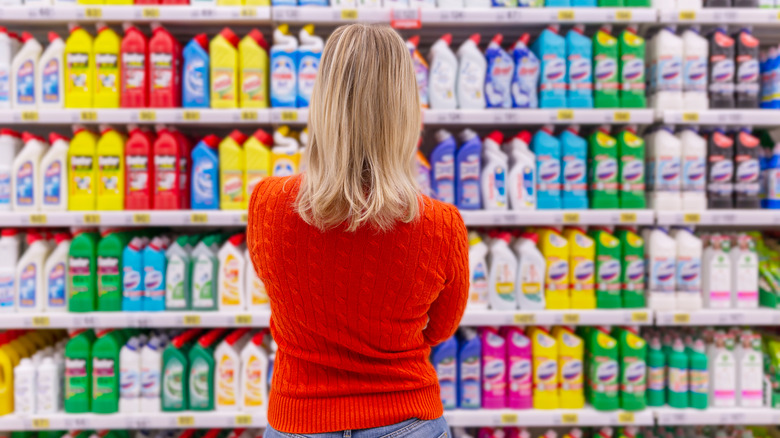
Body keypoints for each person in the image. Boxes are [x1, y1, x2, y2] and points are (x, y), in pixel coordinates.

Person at [247, 24, 469, 437]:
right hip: (405, 419)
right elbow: (440, 328)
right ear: (405, 111)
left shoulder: (268, 204)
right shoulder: (441, 225)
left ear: (323, 101)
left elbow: (276, 289)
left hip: (299, 420)